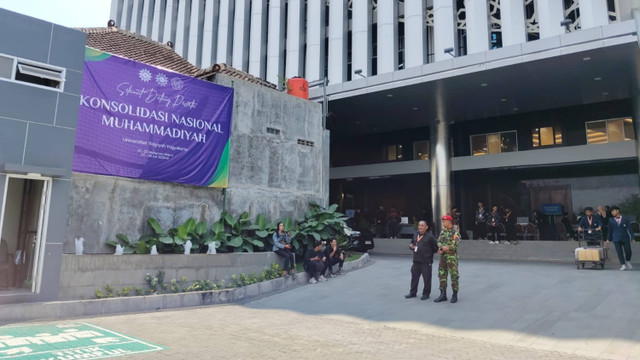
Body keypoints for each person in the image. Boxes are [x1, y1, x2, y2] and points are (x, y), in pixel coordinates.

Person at [405, 220, 439, 300]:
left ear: (426, 227)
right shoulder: (415, 234)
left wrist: (428, 253)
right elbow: (412, 244)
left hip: (426, 262)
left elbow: (435, 248)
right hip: (416, 261)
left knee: (427, 279)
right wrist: (411, 246)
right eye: (419, 225)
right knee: (414, 278)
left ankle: (426, 293)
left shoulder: (430, 236)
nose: (420, 227)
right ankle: (412, 293)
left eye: (422, 225)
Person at [434, 215, 460, 304]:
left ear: (449, 222)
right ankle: (443, 294)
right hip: (443, 257)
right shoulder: (442, 232)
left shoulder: (455, 233)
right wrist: (441, 248)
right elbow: (439, 241)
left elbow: (454, 244)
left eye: (444, 221)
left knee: (454, 276)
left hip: (452, 258)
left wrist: (446, 247)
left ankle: (454, 294)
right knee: (442, 275)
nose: (443, 223)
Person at [607, 206, 636, 271]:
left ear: (617, 211)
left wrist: (632, 237)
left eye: (613, 211)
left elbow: (630, 228)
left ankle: (627, 260)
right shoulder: (611, 220)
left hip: (625, 237)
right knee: (619, 252)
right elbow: (610, 230)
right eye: (611, 212)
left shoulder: (625, 219)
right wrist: (608, 239)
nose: (612, 213)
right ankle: (623, 264)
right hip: (616, 238)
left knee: (628, 251)